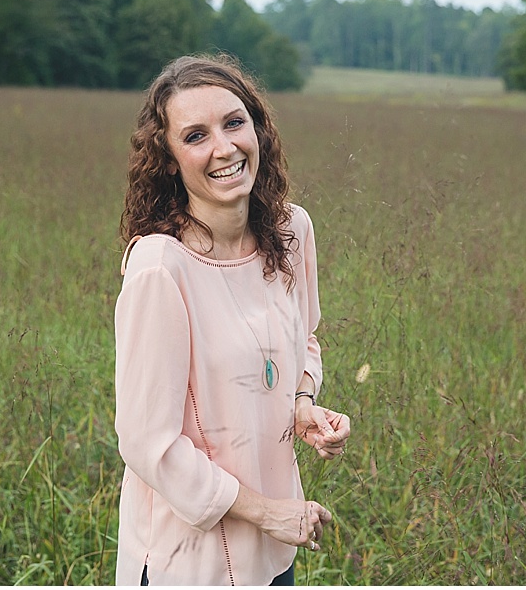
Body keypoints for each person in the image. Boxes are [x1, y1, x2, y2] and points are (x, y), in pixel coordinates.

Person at [114, 54, 351, 586]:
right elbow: (148, 443)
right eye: (195, 136)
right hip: (193, 562)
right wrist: (268, 511)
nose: (224, 147)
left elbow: (303, 338)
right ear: (169, 160)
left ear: (258, 130)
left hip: (275, 553)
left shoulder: (292, 231)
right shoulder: (160, 267)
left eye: (234, 122)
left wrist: (301, 403)